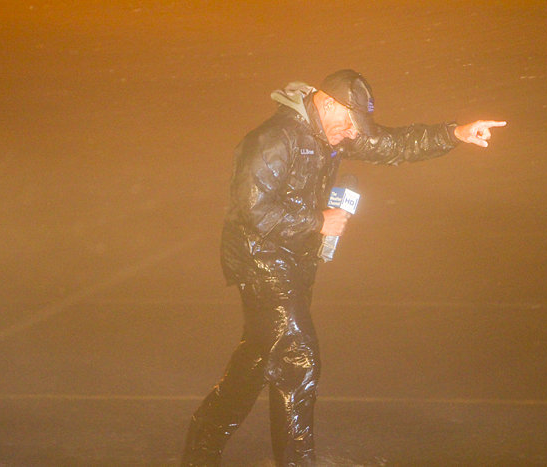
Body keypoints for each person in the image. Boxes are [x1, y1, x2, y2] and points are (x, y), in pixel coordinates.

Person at [181, 69, 506, 466]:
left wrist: (454, 133)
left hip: (296, 258)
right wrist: (318, 221)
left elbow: (391, 143)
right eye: (349, 122)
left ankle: (201, 448)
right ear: (327, 102)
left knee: (257, 359)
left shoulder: (332, 131)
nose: (352, 133)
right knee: (299, 359)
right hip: (259, 258)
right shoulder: (272, 139)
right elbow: (252, 209)